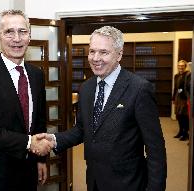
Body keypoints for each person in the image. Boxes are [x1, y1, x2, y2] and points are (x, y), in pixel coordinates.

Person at [38, 26, 167, 191]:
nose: (95, 58)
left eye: (103, 52)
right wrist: (53, 140)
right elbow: (82, 130)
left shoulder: (139, 89)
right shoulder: (86, 88)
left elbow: (155, 149)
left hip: (129, 183)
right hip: (94, 181)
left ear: (119, 54)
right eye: (92, 51)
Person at [0, 10, 53, 191]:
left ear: (29, 36)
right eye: (9, 32)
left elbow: (39, 122)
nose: (17, 38)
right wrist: (30, 143)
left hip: (28, 173)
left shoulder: (37, 75)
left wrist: (40, 160)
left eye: (23, 32)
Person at [172, 60, 190, 141]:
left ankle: (185, 133)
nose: (180, 67)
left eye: (182, 66)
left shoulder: (188, 75)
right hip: (177, 97)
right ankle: (180, 131)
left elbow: (188, 87)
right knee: (178, 115)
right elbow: (176, 88)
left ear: (185, 66)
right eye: (179, 65)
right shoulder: (176, 76)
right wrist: (173, 98)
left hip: (184, 98)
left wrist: (180, 91)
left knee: (184, 116)